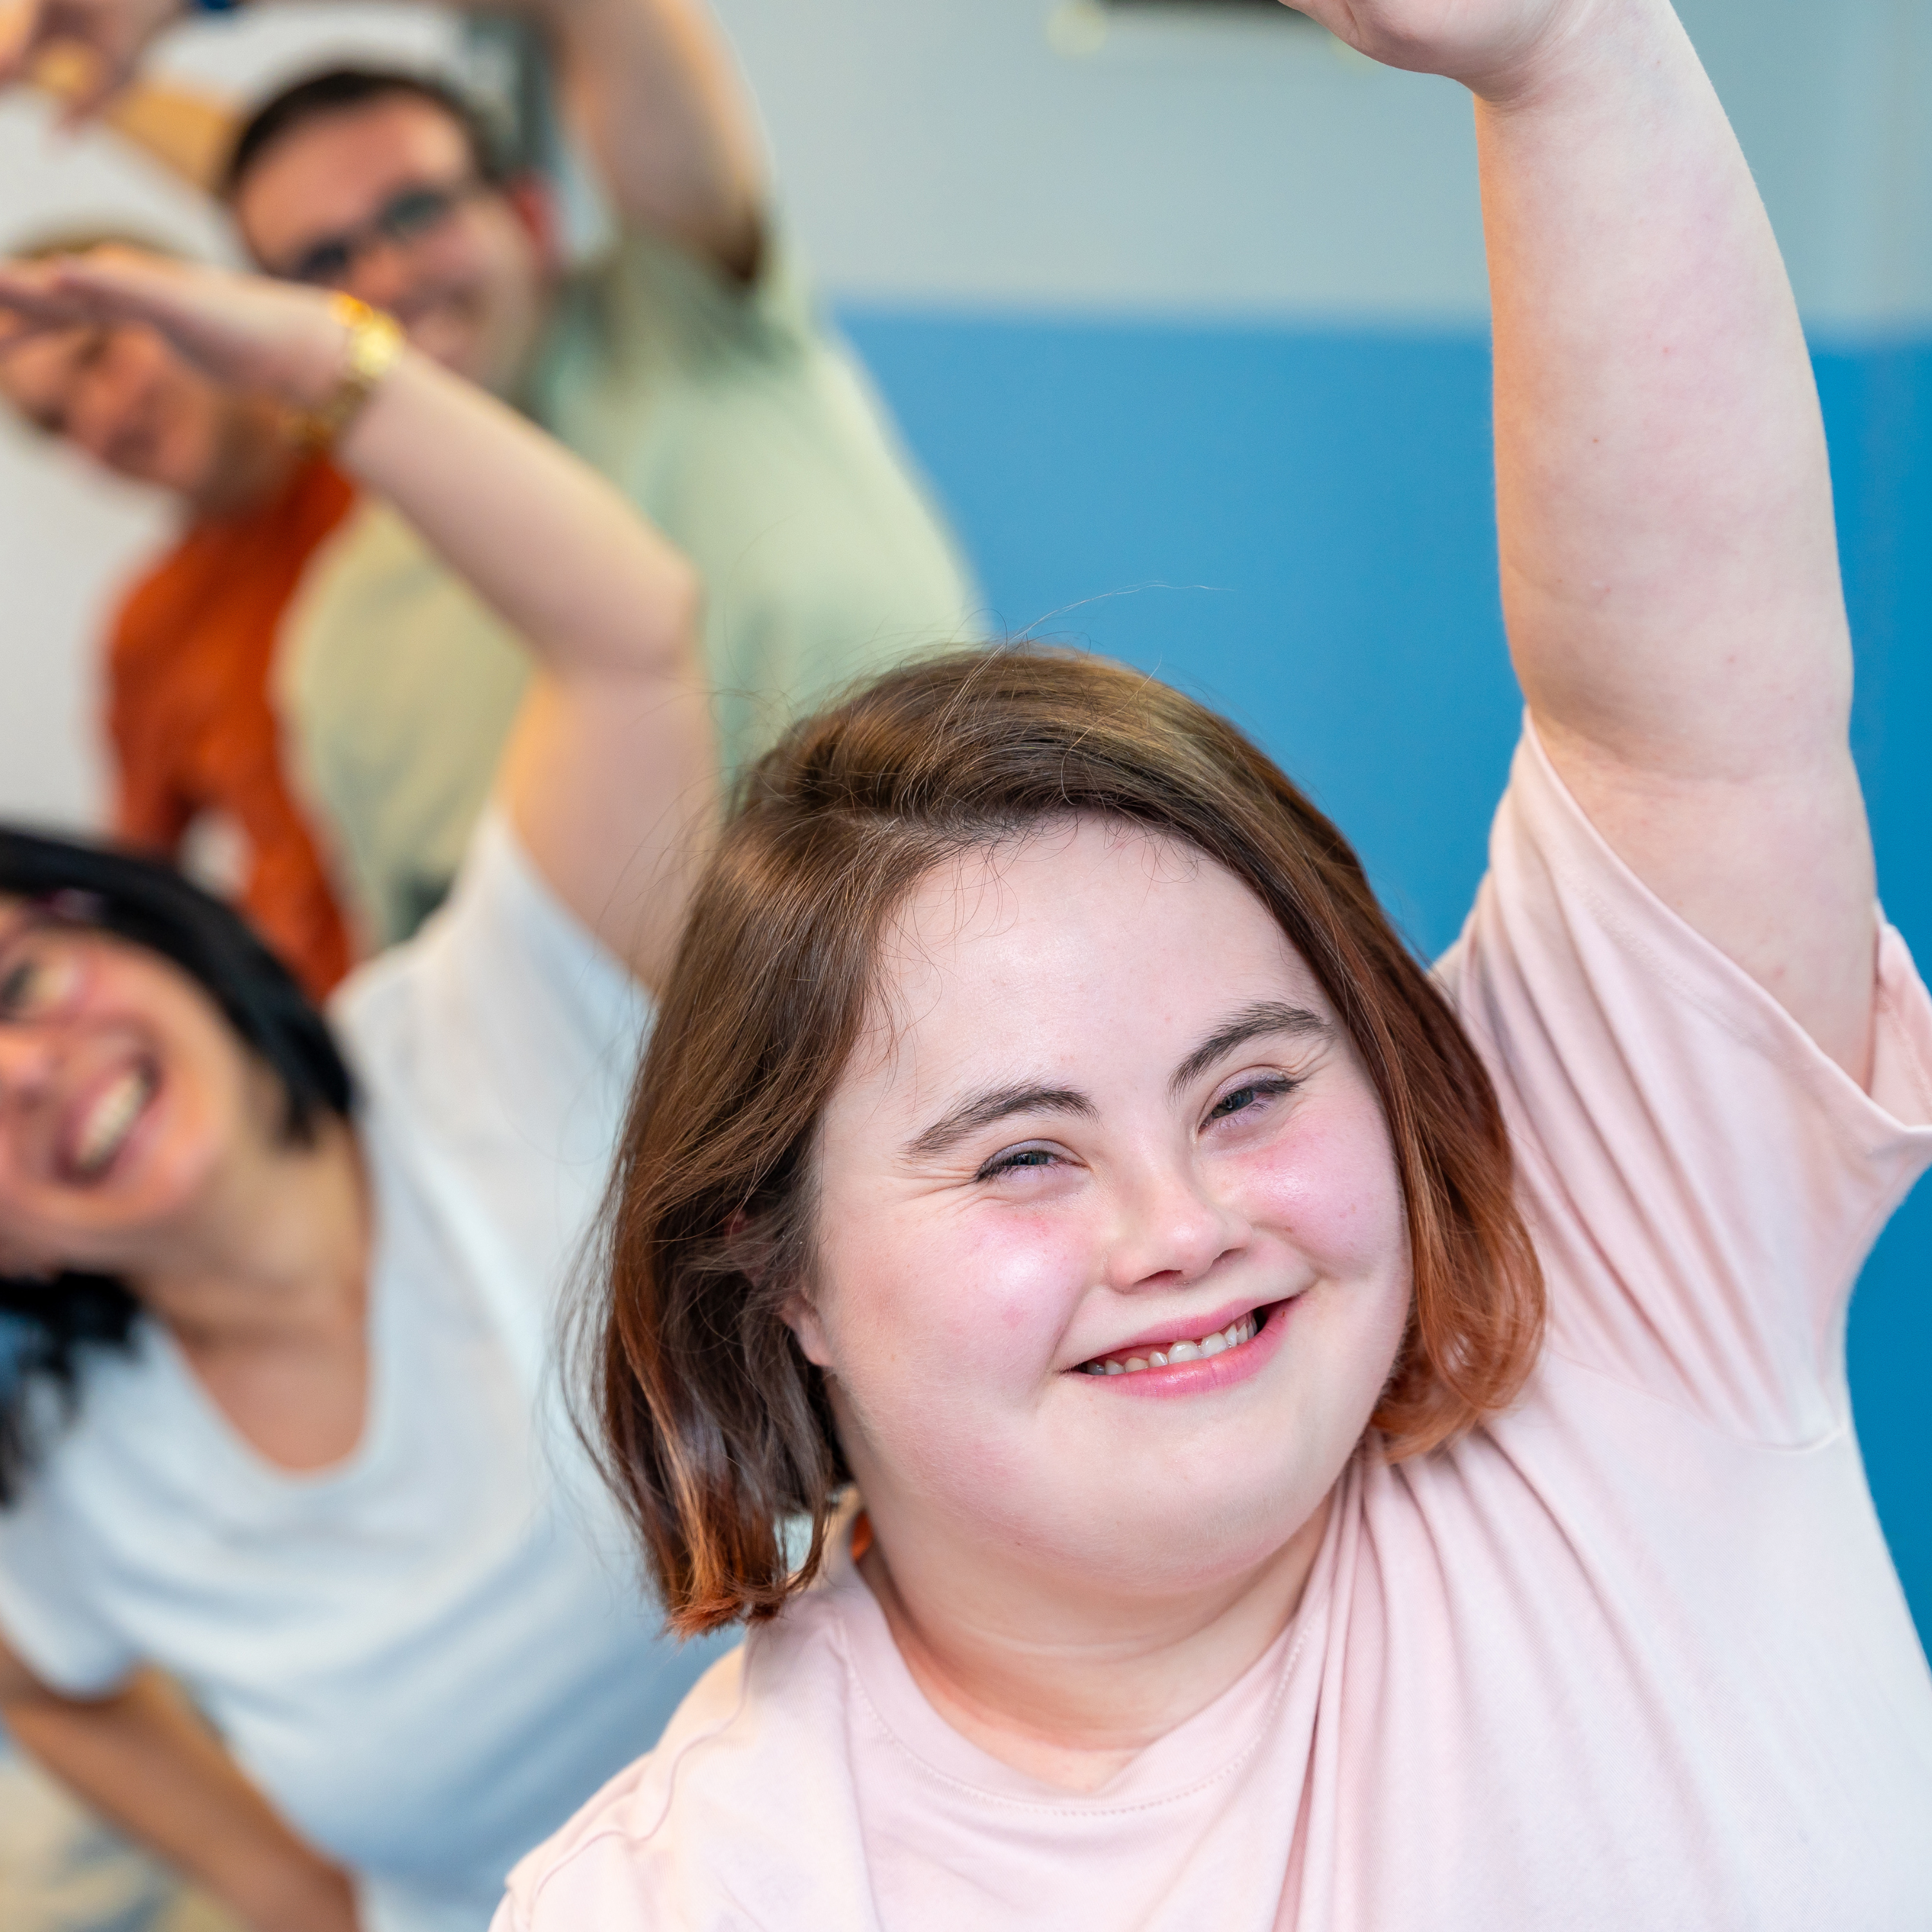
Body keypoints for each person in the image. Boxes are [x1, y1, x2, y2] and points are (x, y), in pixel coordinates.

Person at [494, 1, 1932, 1927]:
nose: (1178, 1224)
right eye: (1021, 1152)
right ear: (779, 1269)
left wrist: (1566, 51)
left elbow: (1680, 720)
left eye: (1250, 1089)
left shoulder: (1618, 1285)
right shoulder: (695, 1895)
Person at [0, 247, 730, 1932]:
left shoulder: (503, 1015)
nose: (32, 1080)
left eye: (24, 987)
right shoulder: (66, 1471)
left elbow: (630, 633)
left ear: (151, 932)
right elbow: (45, 1687)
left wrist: (331, 365)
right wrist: (292, 1896)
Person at [7, 0, 982, 948]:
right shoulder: (338, 654)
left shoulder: (689, 328)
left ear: (529, 211)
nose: (385, 277)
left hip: (989, 945)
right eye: (324, 260)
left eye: (418, 211)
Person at [0, 238, 359, 999]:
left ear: (195, 304)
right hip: (343, 1023)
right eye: (57, 421)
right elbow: (133, 895)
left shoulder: (389, 446)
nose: (102, 419)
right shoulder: (150, 627)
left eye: (99, 356)